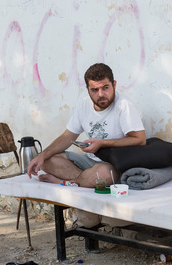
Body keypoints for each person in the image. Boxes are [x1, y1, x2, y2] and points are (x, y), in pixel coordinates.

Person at [27, 63, 146, 227]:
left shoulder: (124, 106)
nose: (101, 94)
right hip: (88, 162)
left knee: (102, 174)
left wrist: (102, 143)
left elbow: (140, 139)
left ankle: (62, 182)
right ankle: (82, 181)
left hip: (113, 164)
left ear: (114, 85)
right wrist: (41, 156)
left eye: (105, 88)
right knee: (48, 160)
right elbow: (68, 136)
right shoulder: (84, 105)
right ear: (88, 89)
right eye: (95, 90)